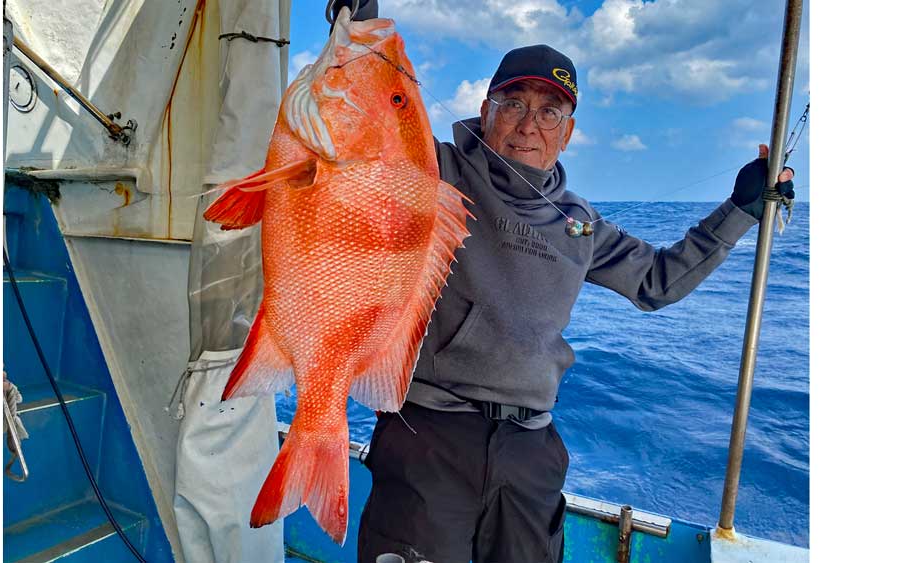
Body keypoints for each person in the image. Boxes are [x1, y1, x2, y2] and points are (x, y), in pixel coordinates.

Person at [327, 3, 795, 563]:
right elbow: (363, 126)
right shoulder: (433, 169)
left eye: (550, 112)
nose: (529, 125)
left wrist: (740, 209)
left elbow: (658, 282)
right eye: (514, 104)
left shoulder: (580, 223)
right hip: (431, 435)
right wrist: (356, 34)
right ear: (485, 109)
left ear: (568, 133)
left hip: (532, 449)